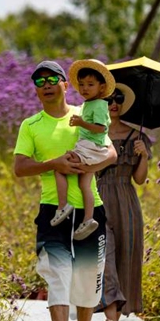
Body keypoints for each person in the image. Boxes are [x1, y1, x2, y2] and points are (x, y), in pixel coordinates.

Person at [13, 60, 117, 321]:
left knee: (87, 278)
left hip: (89, 210)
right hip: (53, 210)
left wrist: (88, 166)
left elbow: (110, 152)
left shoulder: (83, 113)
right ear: (35, 90)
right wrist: (53, 164)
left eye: (51, 79)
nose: (45, 85)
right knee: (57, 276)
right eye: (38, 81)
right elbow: (20, 168)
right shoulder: (30, 126)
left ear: (64, 85)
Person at [95, 83, 152, 321]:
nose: (114, 103)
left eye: (118, 98)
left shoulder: (137, 137)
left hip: (127, 202)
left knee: (125, 261)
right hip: (97, 200)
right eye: (108, 99)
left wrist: (143, 157)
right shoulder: (93, 135)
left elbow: (140, 180)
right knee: (103, 260)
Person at [50, 59, 116, 244]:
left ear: (101, 87)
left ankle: (63, 206)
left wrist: (81, 123)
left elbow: (100, 128)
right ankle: (88, 219)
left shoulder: (100, 105)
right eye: (81, 85)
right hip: (92, 147)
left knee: (60, 166)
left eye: (90, 84)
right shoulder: (89, 104)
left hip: (91, 147)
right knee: (84, 184)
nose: (84, 88)